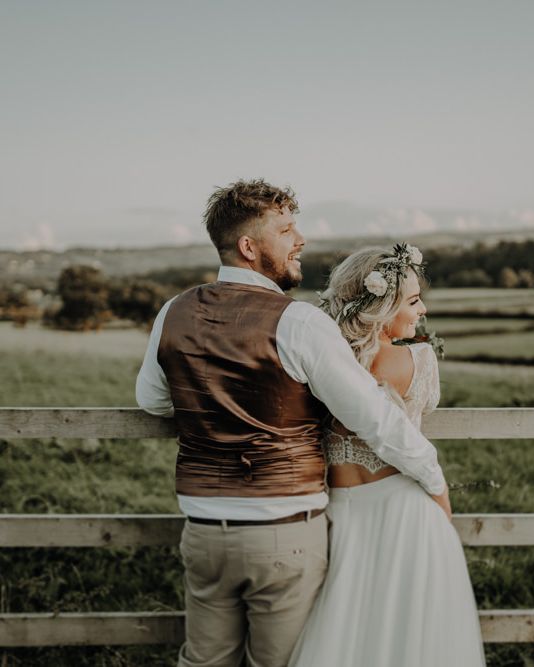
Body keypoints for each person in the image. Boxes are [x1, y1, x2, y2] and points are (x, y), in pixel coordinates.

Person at [135, 179, 450, 667]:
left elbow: (153, 401)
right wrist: (433, 477)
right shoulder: (299, 323)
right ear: (248, 246)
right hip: (283, 534)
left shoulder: (173, 312)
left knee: (203, 662)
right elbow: (375, 418)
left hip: (203, 531)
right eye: (286, 230)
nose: (299, 239)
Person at [288, 244, 485, 667]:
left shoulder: (317, 363)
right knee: (414, 641)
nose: (424, 310)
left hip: (336, 516)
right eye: (413, 301)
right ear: (382, 306)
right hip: (408, 512)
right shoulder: (419, 361)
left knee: (344, 637)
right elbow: (416, 417)